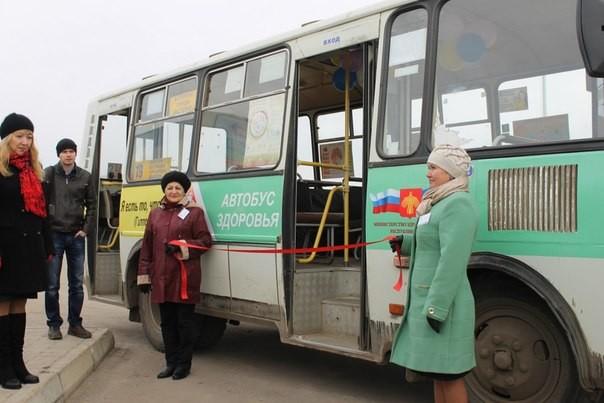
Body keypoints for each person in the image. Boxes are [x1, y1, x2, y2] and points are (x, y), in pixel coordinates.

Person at [389, 144, 478, 403]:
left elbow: (452, 260)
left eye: (433, 167)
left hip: (443, 306)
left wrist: (436, 308)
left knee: (451, 377)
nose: (427, 173)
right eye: (428, 167)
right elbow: (432, 242)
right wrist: (404, 241)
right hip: (430, 302)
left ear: (450, 172)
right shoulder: (438, 202)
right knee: (439, 373)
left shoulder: (458, 204)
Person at [137, 171, 212, 380]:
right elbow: (147, 248)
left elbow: (205, 242)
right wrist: (144, 276)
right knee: (167, 323)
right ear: (164, 190)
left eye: (177, 188)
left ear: (184, 191)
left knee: (185, 324)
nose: (173, 191)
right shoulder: (155, 214)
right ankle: (170, 363)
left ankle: (183, 365)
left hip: (184, 279)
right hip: (161, 278)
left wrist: (182, 247)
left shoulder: (195, 213)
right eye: (170, 188)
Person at [0, 113, 54, 389]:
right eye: (19, 136)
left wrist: (47, 245)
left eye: (29, 136)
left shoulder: (33, 170)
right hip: (5, 249)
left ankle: (19, 364)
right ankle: (4, 367)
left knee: (20, 304)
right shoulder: (1, 170)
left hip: (28, 248)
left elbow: (42, 213)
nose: (24, 141)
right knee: (3, 304)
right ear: (7, 138)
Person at [44, 138, 96, 340]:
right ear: (59, 154)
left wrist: (86, 229)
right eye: (64, 151)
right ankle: (54, 325)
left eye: (71, 151)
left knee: (76, 284)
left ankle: (75, 324)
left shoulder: (85, 176)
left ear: (75, 153)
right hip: (54, 234)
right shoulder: (49, 174)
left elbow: (92, 205)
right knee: (51, 285)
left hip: (76, 236)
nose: (68, 154)